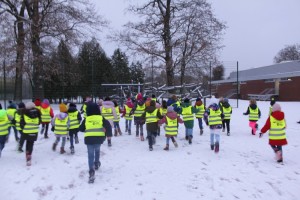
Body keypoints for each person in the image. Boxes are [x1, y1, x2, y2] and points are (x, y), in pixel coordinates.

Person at [79, 102, 112, 183]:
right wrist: (108, 135)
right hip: (98, 138)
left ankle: (91, 171)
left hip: (89, 139)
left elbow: (81, 128)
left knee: (90, 155)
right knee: (97, 150)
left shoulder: (86, 119)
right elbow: (108, 126)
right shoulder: (101, 118)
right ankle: (96, 163)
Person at [20, 102, 41, 166]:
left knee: (27, 143)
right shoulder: (38, 113)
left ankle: (27, 154)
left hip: (26, 131)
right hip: (34, 131)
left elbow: (22, 123)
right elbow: (39, 122)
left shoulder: (24, 113)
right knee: (31, 143)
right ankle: (29, 155)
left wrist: (24, 128)